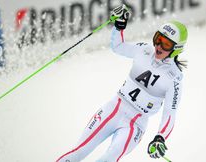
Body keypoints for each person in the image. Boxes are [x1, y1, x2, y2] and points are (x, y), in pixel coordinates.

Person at [56, 4, 188, 162]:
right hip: (115, 108)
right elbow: (118, 47)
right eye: (157, 39)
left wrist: (160, 137)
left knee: (110, 158)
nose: (158, 46)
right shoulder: (144, 50)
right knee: (79, 151)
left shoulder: (174, 78)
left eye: (165, 44)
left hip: (135, 124)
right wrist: (119, 27)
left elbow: (170, 112)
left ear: (177, 49)